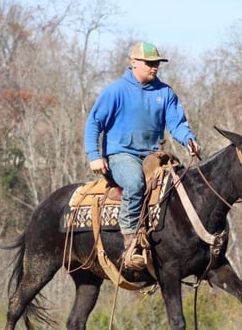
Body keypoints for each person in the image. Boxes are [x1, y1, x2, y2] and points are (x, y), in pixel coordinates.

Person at [84, 41, 201, 270]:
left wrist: (189, 140)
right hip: (121, 155)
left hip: (153, 156)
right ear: (134, 63)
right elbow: (94, 122)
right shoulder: (116, 91)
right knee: (135, 183)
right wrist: (94, 155)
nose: (154, 67)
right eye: (149, 63)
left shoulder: (165, 92)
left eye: (157, 63)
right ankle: (130, 238)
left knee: (178, 186)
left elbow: (177, 123)